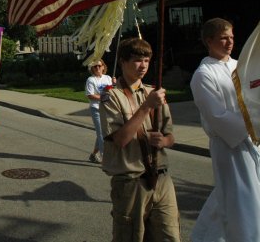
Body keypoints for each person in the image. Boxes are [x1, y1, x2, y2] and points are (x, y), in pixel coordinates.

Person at [99, 37, 180, 242]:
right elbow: (120, 140)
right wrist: (146, 107)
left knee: (170, 236)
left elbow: (170, 136)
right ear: (123, 62)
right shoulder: (112, 96)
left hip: (161, 179)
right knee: (131, 236)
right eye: (137, 60)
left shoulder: (154, 92)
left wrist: (164, 141)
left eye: (146, 60)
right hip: (131, 182)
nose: (143, 65)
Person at [190, 18, 260, 242]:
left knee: (236, 199)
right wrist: (252, 123)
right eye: (223, 38)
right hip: (229, 145)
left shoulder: (241, 66)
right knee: (241, 202)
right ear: (209, 41)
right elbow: (217, 115)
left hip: (253, 139)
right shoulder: (203, 75)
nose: (229, 42)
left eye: (231, 36)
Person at [85, 59, 115, 164]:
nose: (97, 68)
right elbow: (90, 95)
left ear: (103, 67)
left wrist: (114, 84)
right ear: (92, 69)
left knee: (101, 133)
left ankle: (93, 155)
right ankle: (105, 159)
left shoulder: (108, 78)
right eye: (95, 66)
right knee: (102, 134)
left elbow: (112, 92)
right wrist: (104, 98)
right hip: (96, 109)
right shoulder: (91, 80)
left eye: (99, 66)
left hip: (107, 109)